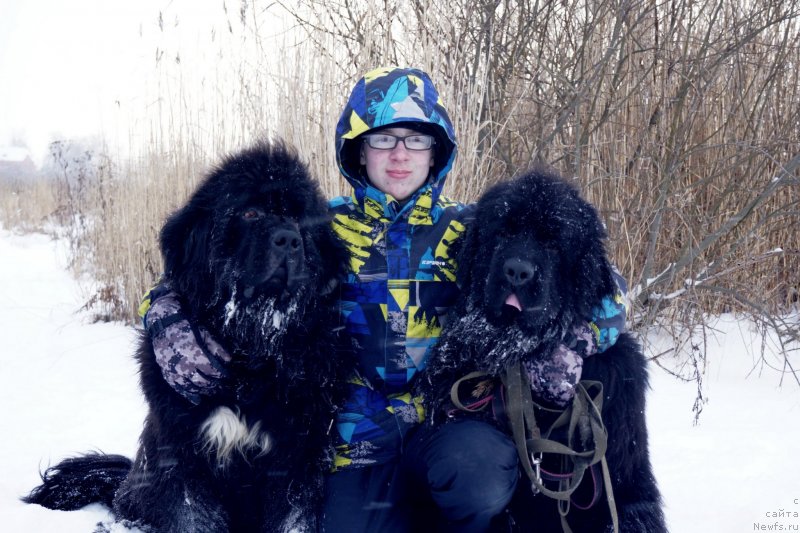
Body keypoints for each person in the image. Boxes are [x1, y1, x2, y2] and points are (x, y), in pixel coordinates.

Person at [140, 66, 627, 532]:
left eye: (416, 139)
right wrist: (165, 317)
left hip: (446, 429)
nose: (400, 154)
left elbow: (602, 292)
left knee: (477, 474)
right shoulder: (317, 224)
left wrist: (576, 340)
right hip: (353, 445)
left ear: (436, 152)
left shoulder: (472, 228)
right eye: (382, 139)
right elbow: (194, 272)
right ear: (358, 150)